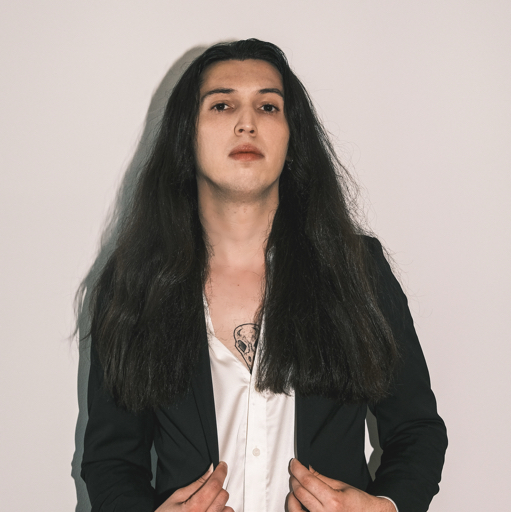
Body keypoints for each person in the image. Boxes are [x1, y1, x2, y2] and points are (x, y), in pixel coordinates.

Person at [81, 39, 447, 512]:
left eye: (268, 106)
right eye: (222, 104)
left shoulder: (356, 269)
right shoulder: (134, 283)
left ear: (292, 138)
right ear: (185, 135)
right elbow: (111, 460)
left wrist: (387, 506)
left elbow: (417, 430)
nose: (247, 122)